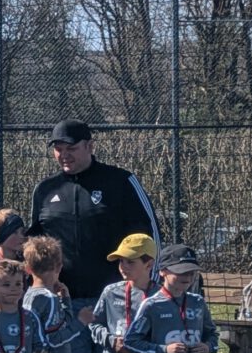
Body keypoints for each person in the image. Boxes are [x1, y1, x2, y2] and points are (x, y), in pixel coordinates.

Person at [29, 120, 160, 302]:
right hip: (59, 298)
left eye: (71, 148)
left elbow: (150, 234)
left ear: (90, 146)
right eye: (58, 149)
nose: (64, 155)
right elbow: (34, 243)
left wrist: (149, 285)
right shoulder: (45, 189)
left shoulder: (121, 182)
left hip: (114, 298)